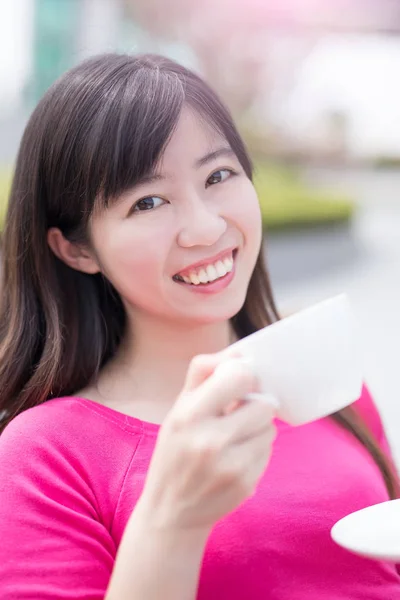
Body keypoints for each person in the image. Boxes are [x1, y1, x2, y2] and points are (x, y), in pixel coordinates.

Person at [0, 53, 398, 600]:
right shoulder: (44, 455)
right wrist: (171, 521)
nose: (206, 227)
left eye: (218, 175)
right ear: (75, 247)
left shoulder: (326, 384)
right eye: (149, 202)